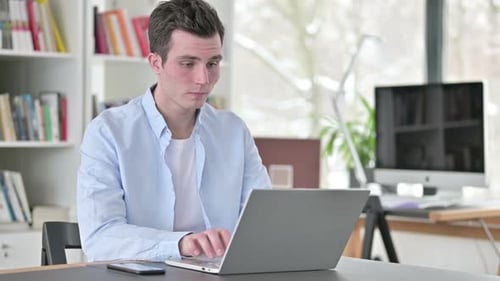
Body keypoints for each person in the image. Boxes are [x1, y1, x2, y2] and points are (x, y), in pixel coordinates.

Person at [77, 0, 271, 262]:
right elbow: (100, 239)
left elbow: (264, 222)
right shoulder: (109, 132)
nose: (203, 79)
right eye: (188, 64)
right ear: (156, 63)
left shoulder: (234, 132)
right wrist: (180, 243)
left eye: (212, 63)